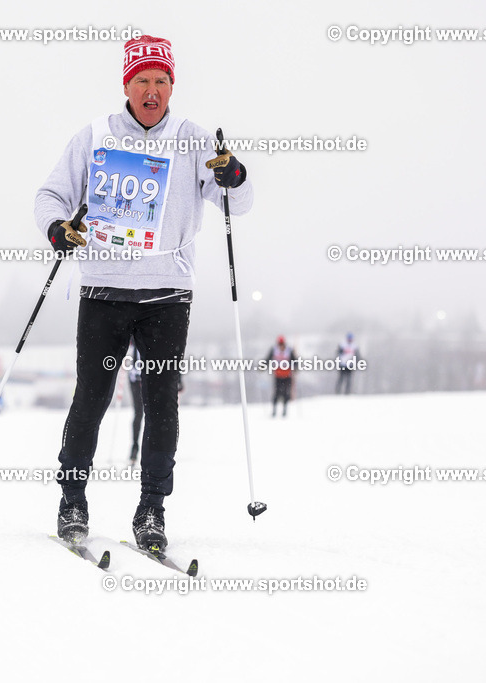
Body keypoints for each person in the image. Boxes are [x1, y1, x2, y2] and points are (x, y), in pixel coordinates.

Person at [36, 34, 253, 550]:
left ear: (171, 84)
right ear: (127, 86)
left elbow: (237, 203)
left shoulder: (193, 138)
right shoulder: (93, 137)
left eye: (160, 81)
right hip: (105, 288)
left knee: (161, 404)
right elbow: (51, 194)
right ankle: (72, 502)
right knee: (92, 397)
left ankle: (152, 510)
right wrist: (57, 227)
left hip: (166, 292)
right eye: (142, 81)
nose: (151, 91)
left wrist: (234, 173)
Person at [265, 336, 296, 417]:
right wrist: (264, 365)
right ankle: (274, 410)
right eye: (279, 344)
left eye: (282, 344)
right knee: (277, 393)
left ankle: (284, 410)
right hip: (277, 375)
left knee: (286, 393)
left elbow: (294, 360)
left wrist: (295, 367)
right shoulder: (274, 350)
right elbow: (268, 359)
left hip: (287, 375)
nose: (281, 346)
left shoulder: (289, 350)